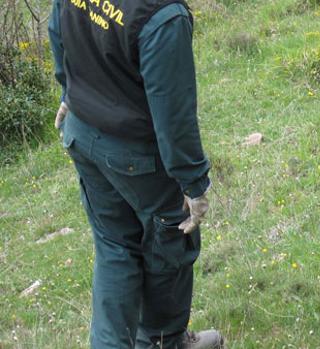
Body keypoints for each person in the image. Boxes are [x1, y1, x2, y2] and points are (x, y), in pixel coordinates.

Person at [48, 0, 224, 348]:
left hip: (82, 133)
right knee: (169, 245)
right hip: (135, 155)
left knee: (116, 246)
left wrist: (69, 90)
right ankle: (163, 343)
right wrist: (194, 184)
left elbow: (58, 31)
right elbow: (174, 115)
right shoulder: (163, 15)